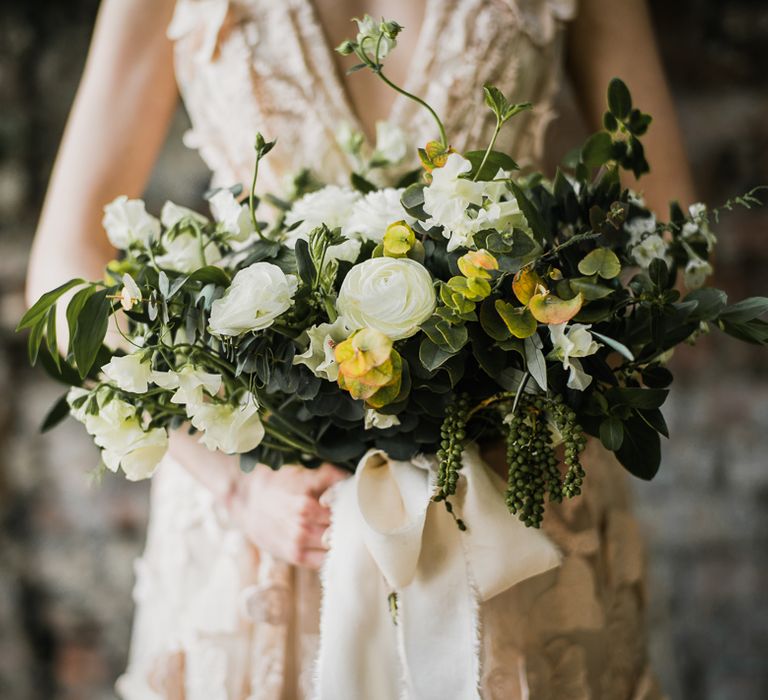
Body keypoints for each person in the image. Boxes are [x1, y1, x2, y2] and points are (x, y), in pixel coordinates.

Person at [26, 0, 695, 697]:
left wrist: (552, 394)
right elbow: (66, 264)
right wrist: (233, 482)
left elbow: (667, 222)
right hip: (266, 515)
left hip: (516, 501)